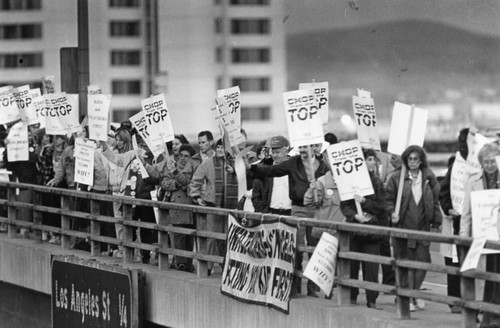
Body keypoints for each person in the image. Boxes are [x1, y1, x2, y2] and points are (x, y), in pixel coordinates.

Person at [248, 141, 330, 296]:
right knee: (296, 247)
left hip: (317, 209)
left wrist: (318, 186)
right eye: (301, 147)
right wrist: (251, 167)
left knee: (314, 247)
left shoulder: (323, 167)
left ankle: (313, 288)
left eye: (307, 146)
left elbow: (331, 184)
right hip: (298, 208)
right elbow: (272, 170)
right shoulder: (293, 162)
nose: (304, 150)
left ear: (314, 148)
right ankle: (295, 285)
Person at [385, 145, 442, 312]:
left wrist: (436, 223)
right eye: (410, 159)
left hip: (423, 226)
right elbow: (388, 200)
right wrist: (391, 213)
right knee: (405, 263)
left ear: (421, 160)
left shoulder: (429, 177)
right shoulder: (396, 177)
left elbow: (437, 200)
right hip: (403, 226)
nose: (413, 162)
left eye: (416, 158)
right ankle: (406, 296)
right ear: (405, 160)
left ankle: (414, 293)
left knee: (423, 262)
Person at [340, 148, 387, 309]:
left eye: (373, 159)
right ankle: (352, 296)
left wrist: (366, 203)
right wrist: (355, 216)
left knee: (372, 268)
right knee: (352, 265)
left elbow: (382, 207)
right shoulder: (350, 183)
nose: (372, 162)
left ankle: (371, 299)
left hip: (372, 231)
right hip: (355, 230)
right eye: (368, 159)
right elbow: (345, 206)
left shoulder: (377, 182)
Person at [460, 142, 500, 328]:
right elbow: (466, 213)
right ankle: (487, 317)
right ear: (481, 163)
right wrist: (463, 238)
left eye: (493, 161)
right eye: (487, 162)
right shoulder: (472, 181)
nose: (490, 165)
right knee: (484, 279)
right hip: (481, 238)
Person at [190, 138, 239, 273]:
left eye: (222, 147)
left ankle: (227, 266)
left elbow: (246, 179)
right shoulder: (208, 163)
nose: (219, 150)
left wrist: (234, 172)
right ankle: (209, 267)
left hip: (231, 206)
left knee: (229, 237)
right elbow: (195, 181)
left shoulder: (236, 164)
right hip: (213, 204)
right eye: (218, 148)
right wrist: (196, 197)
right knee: (212, 237)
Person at [439, 128, 469, 314]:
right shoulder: (455, 166)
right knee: (454, 264)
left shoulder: (482, 164)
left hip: (476, 225)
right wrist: (449, 208)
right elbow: (443, 192)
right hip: (457, 224)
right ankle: (455, 301)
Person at [160, 144, 196, 272]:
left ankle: (188, 262)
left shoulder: (194, 167)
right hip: (177, 204)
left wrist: (182, 182)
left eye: (186, 156)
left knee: (190, 236)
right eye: (181, 155)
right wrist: (176, 184)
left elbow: (189, 182)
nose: (183, 158)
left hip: (190, 204)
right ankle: (181, 262)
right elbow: (164, 183)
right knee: (178, 235)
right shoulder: (171, 166)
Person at [252, 136, 292, 215]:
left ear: (286, 151)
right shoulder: (264, 171)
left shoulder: (295, 169)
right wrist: (263, 212)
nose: (274, 155)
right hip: (271, 214)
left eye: (277, 152)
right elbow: (256, 195)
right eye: (273, 152)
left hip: (291, 214)